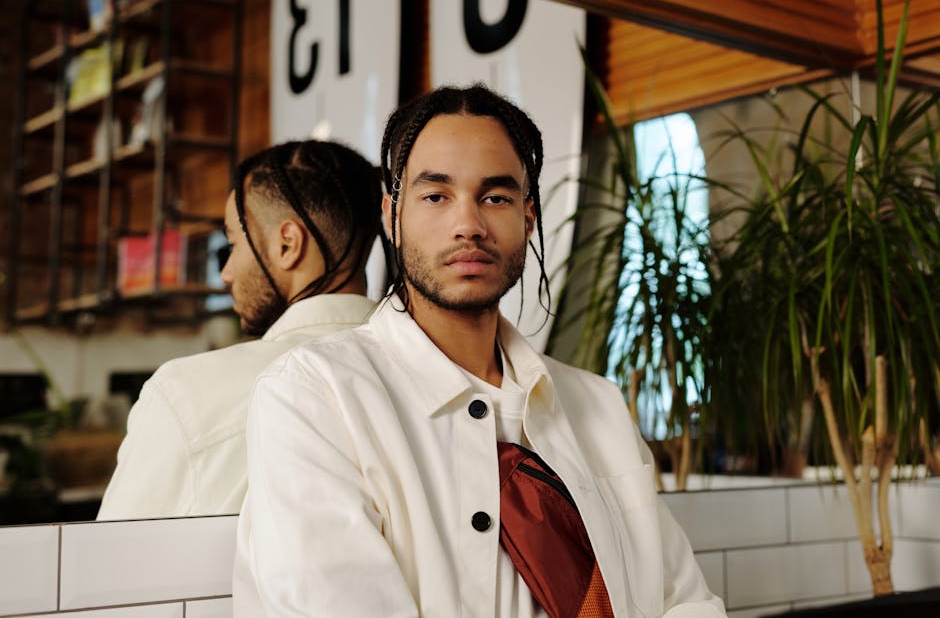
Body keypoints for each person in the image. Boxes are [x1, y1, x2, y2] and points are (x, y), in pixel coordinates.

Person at [233, 85, 726, 617]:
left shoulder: (597, 406)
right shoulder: (315, 397)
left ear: (528, 216)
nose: (468, 224)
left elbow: (684, 600)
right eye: (436, 196)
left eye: (495, 197)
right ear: (392, 216)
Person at [97, 140, 382, 520]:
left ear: (287, 244)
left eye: (232, 244)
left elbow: (108, 567)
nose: (227, 273)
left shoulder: (187, 395)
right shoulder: (434, 372)